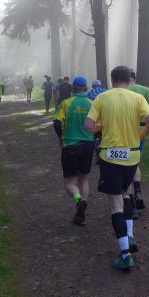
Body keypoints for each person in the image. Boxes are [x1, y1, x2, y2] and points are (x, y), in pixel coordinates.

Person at [84, 66, 149, 271]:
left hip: (109, 156)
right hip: (132, 155)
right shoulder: (138, 98)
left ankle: (125, 255)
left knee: (116, 204)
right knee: (126, 193)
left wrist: (101, 127)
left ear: (112, 79)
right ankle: (130, 235)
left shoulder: (102, 98)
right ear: (129, 79)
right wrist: (140, 136)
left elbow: (88, 126)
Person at [53, 76, 94, 226]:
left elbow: (57, 123)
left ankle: (78, 200)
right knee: (84, 178)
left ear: (73, 89)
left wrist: (61, 138)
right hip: (88, 145)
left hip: (71, 145)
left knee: (70, 182)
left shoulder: (66, 103)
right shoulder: (92, 103)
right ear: (86, 88)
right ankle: (82, 210)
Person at [127, 70, 149, 211]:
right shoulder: (145, 90)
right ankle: (138, 191)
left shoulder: (120, 90)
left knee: (124, 164)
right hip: (142, 130)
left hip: (124, 130)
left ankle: (130, 202)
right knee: (135, 162)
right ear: (135, 78)